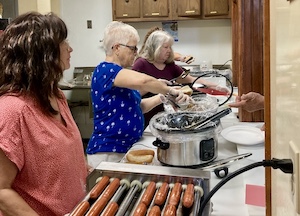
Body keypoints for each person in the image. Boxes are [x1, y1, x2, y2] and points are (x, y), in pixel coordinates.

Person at [0, 12, 88, 215]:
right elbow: (2, 191)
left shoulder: (56, 95)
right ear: (42, 53)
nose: (70, 48)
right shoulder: (12, 110)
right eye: (63, 42)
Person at [86, 21, 190, 168]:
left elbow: (138, 107)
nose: (136, 53)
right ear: (116, 48)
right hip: (108, 152)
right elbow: (144, 81)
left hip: (124, 149)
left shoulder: (120, 77)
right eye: (133, 48)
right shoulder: (106, 70)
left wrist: (163, 96)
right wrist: (169, 90)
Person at [132, 29, 230, 128]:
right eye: (166, 47)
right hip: (146, 117)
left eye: (170, 47)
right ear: (155, 48)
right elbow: (131, 93)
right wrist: (154, 85)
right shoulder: (141, 64)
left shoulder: (170, 65)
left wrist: (216, 87)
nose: (169, 51)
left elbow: (192, 80)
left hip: (166, 116)